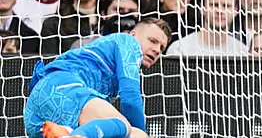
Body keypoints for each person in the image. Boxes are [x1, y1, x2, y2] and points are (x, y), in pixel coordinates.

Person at [23, 19, 171, 138]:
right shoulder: (128, 42)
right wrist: (141, 132)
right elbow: (130, 98)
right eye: (153, 41)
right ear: (133, 34)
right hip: (62, 88)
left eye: (162, 48)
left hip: (36, 119)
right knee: (124, 126)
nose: (157, 50)